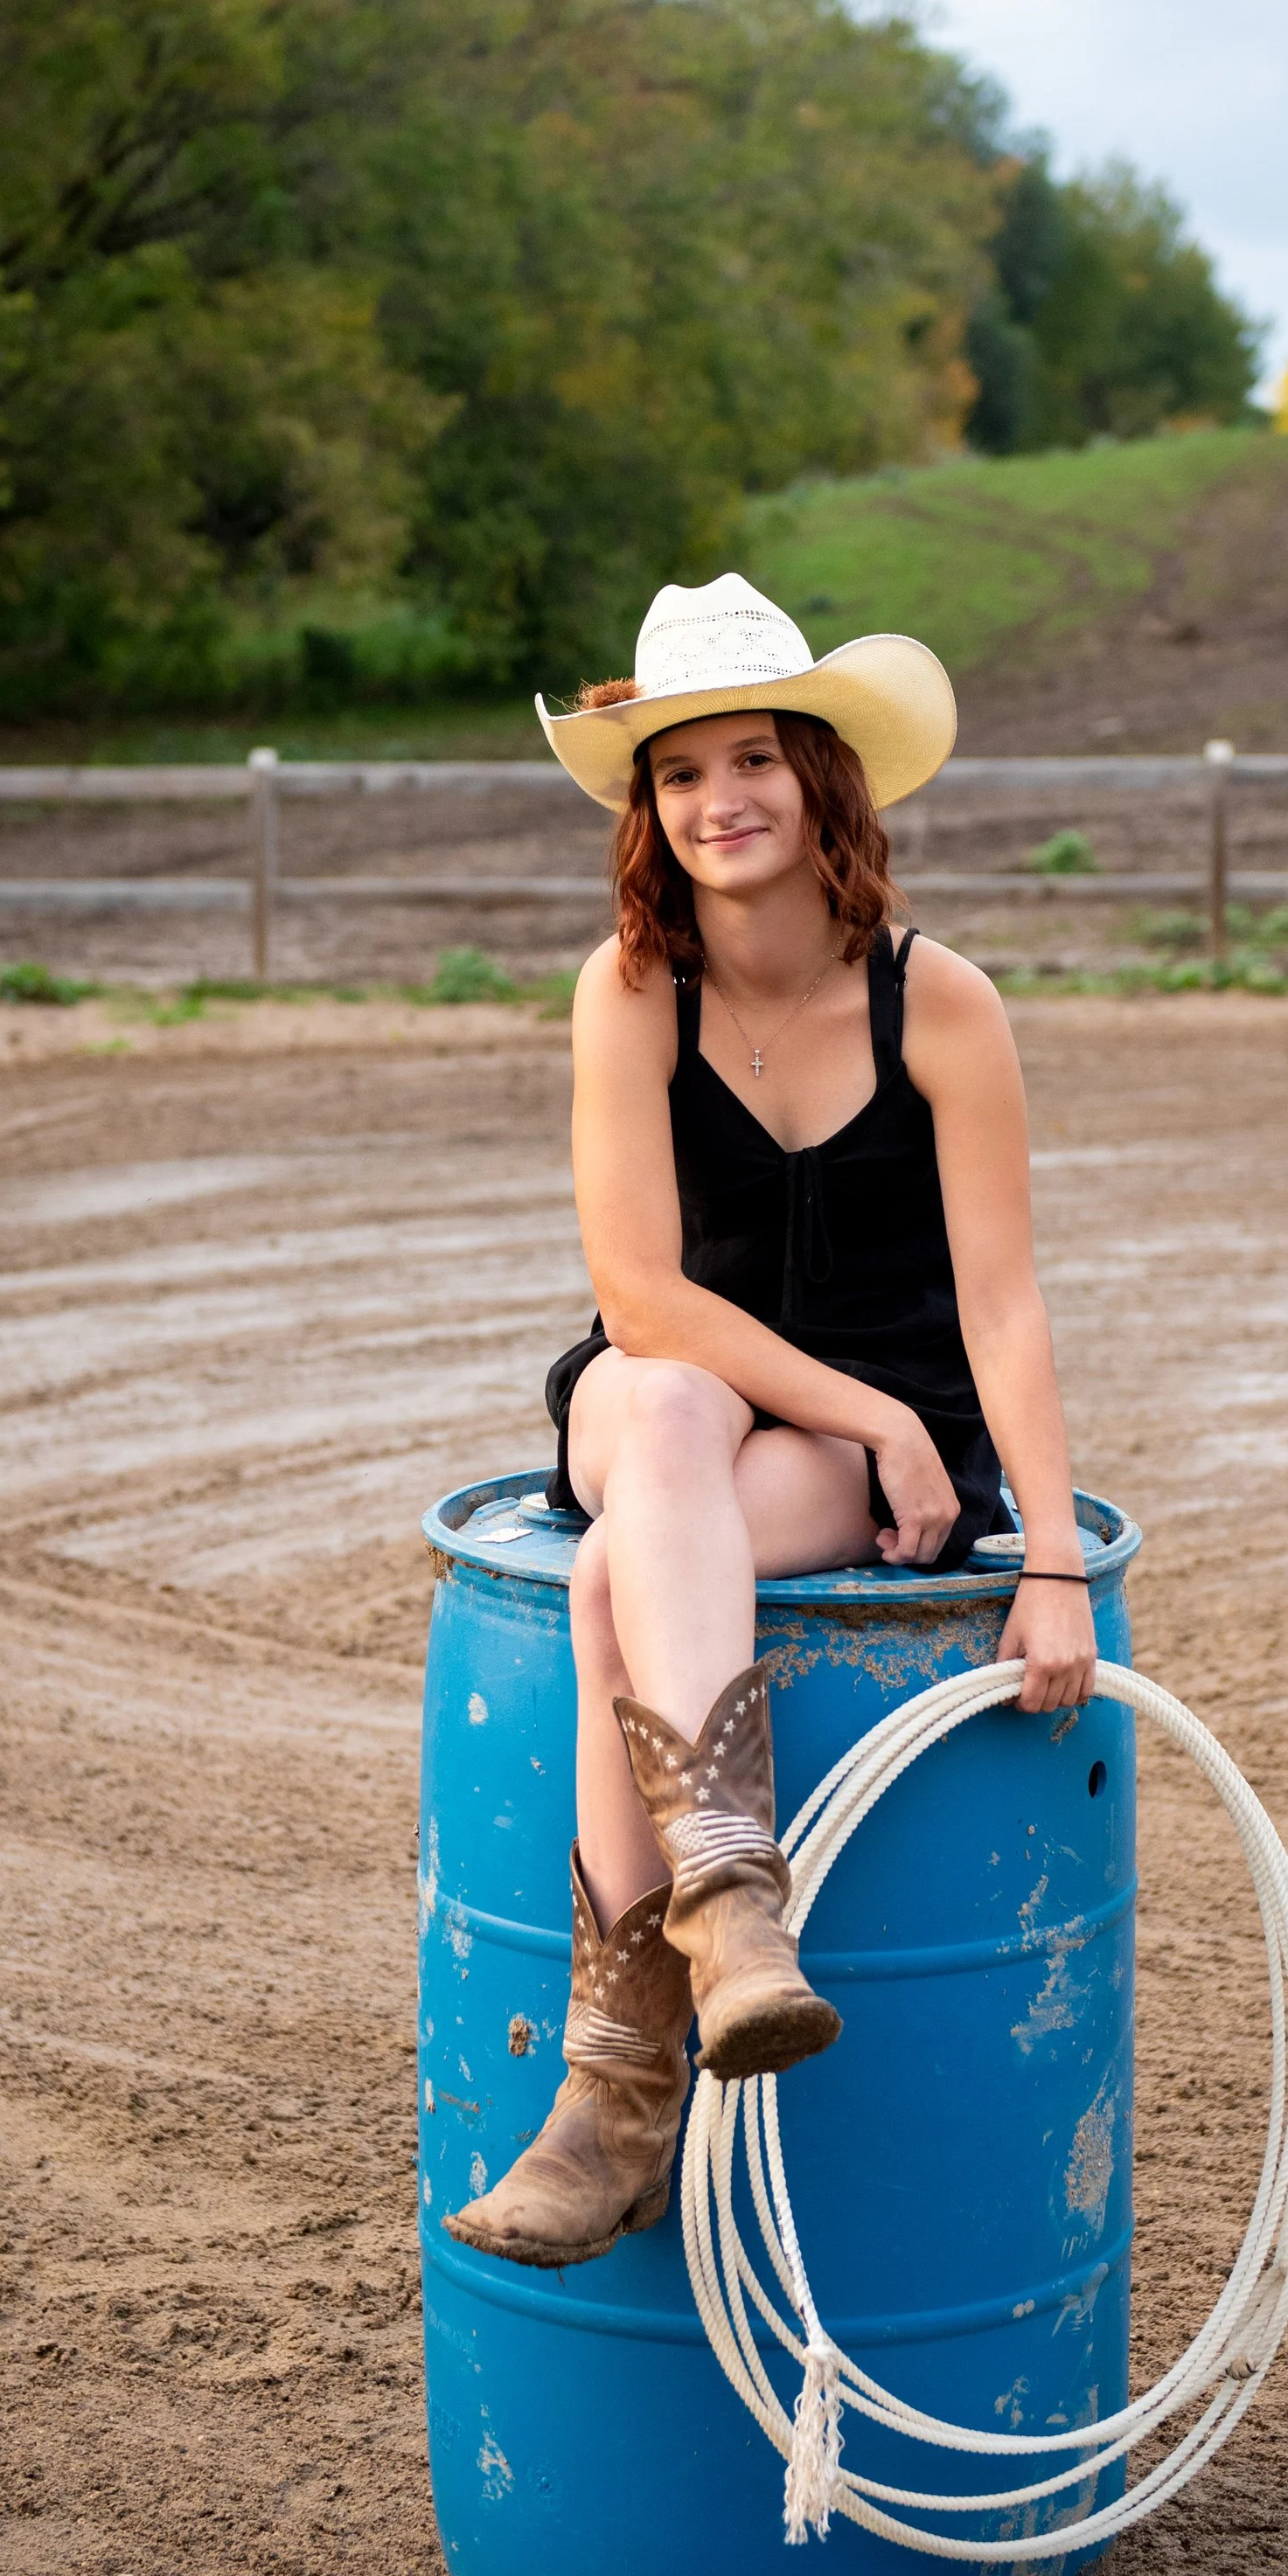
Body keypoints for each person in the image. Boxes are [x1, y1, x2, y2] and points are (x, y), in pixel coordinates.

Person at [443, 573, 1096, 2272]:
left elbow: (1004, 1296)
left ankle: (610, 2093)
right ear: (650, 813)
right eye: (679, 773)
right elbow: (641, 1295)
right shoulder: (628, 988)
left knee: (610, 1593)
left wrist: (1046, 1552)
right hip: (674, 1399)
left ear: (822, 782)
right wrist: (869, 1410)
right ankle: (730, 1906)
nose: (717, 800)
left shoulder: (937, 1002)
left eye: (751, 759)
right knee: (656, 1404)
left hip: (831, 1454)